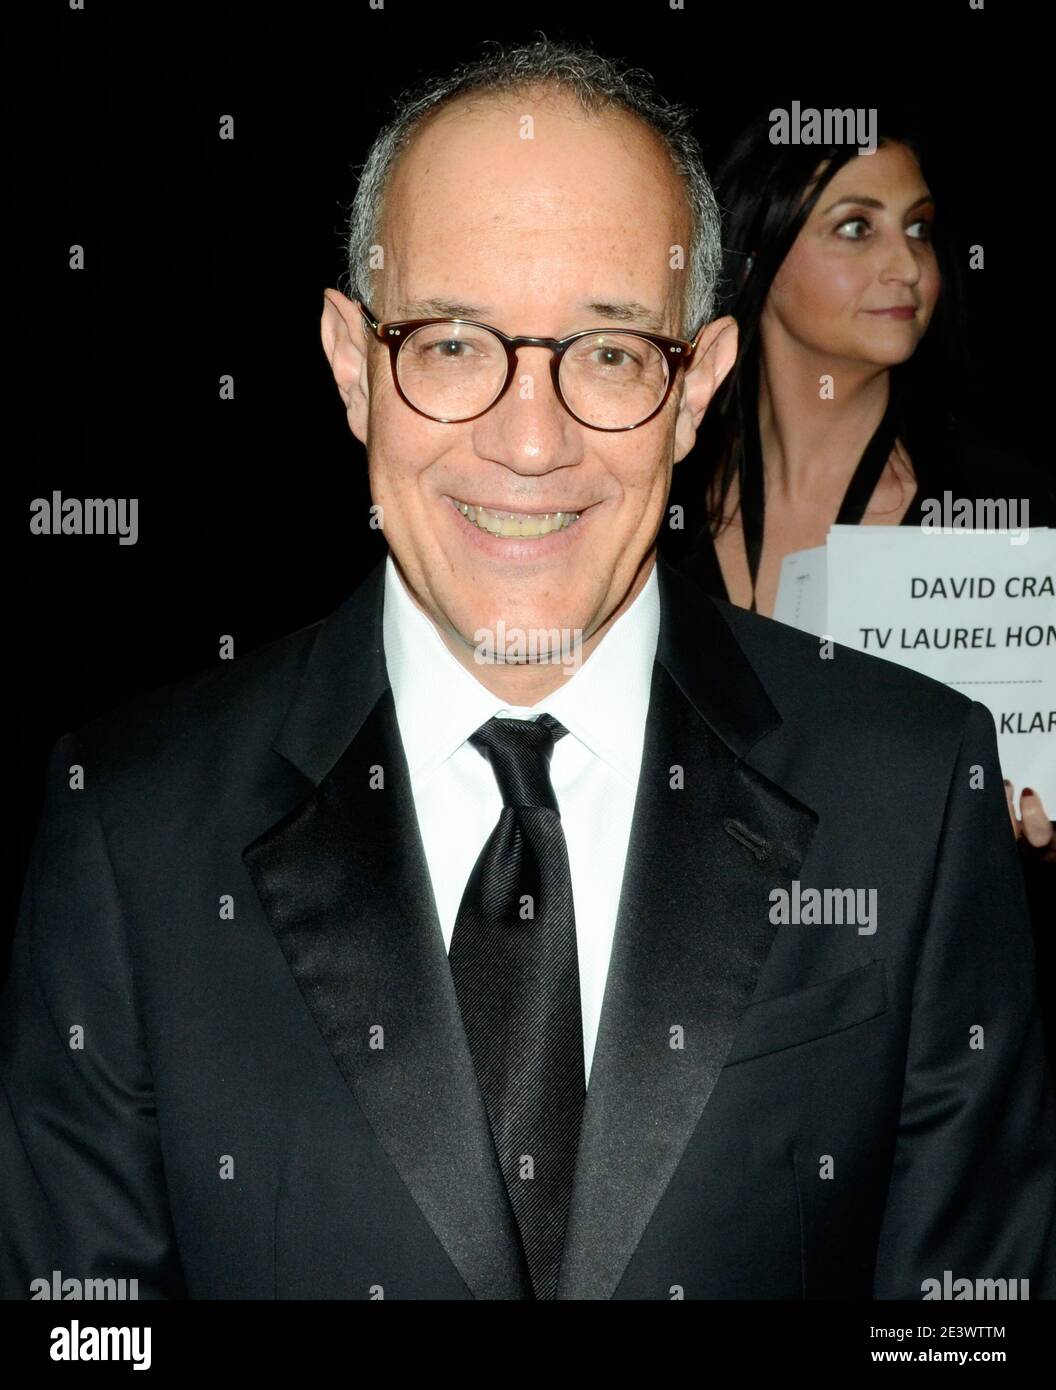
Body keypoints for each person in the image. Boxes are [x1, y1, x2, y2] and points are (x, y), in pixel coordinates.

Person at [2, 42, 1054, 1301]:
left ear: (694, 387)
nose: (532, 438)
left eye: (610, 354)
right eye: (452, 343)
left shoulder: (915, 789)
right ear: (351, 364)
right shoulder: (128, 825)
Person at [675, 112, 1056, 862]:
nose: (908, 267)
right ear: (755, 258)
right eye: (857, 229)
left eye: (918, 229)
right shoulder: (650, 510)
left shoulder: (1013, 514)